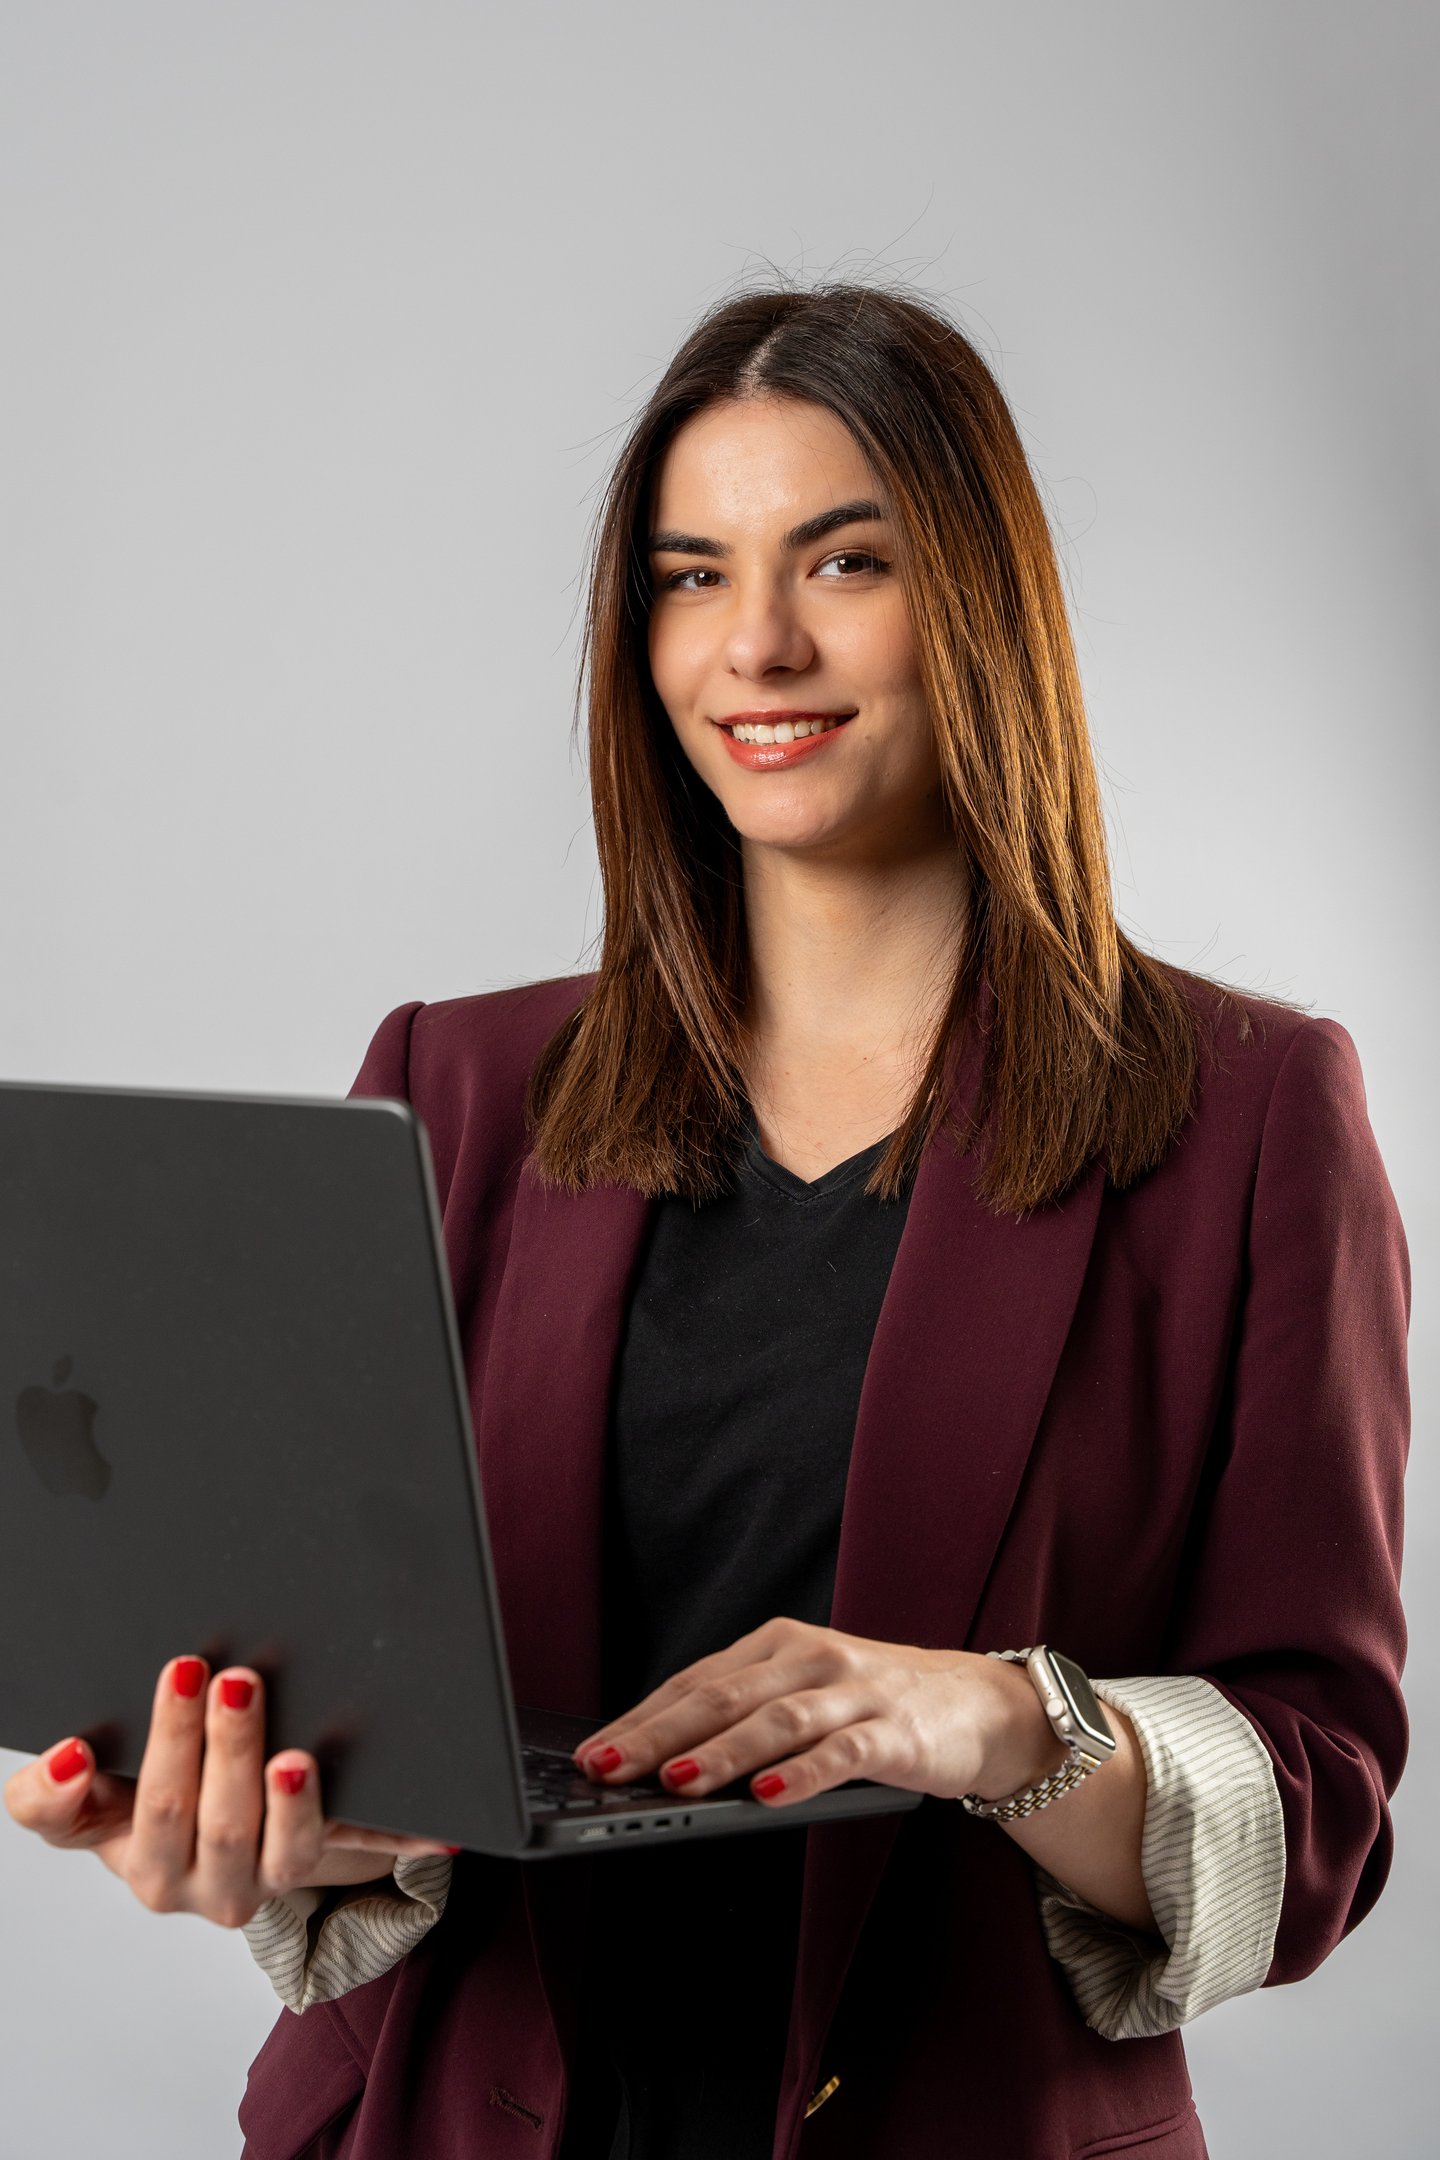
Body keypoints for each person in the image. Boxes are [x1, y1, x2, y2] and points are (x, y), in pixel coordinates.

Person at [4, 282, 1409, 2160]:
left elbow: (1321, 1808)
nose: (756, 644)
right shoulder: (451, 1088)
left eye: (844, 561)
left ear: (981, 600)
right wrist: (271, 1835)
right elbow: (372, 1713)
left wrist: (1002, 1725)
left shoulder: (1250, 1116)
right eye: (690, 577)